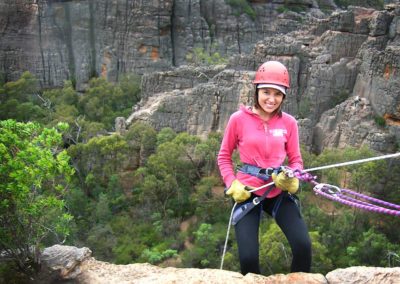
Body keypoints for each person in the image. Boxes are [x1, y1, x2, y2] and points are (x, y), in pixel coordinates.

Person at [217, 60, 312, 275]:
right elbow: (224, 156)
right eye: (266, 92)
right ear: (257, 91)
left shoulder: (289, 123)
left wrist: (292, 177)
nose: (271, 99)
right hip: (248, 192)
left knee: (303, 246)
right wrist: (231, 183)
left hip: (277, 189)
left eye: (277, 94)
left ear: (284, 97)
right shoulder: (238, 120)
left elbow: (296, 159)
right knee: (249, 258)